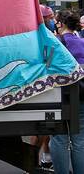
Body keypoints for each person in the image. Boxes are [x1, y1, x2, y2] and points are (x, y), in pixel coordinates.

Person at [50, 10, 84, 174]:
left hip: (60, 98)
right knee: (80, 140)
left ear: (61, 24)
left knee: (59, 138)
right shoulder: (82, 42)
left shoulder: (56, 43)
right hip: (82, 97)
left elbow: (47, 67)